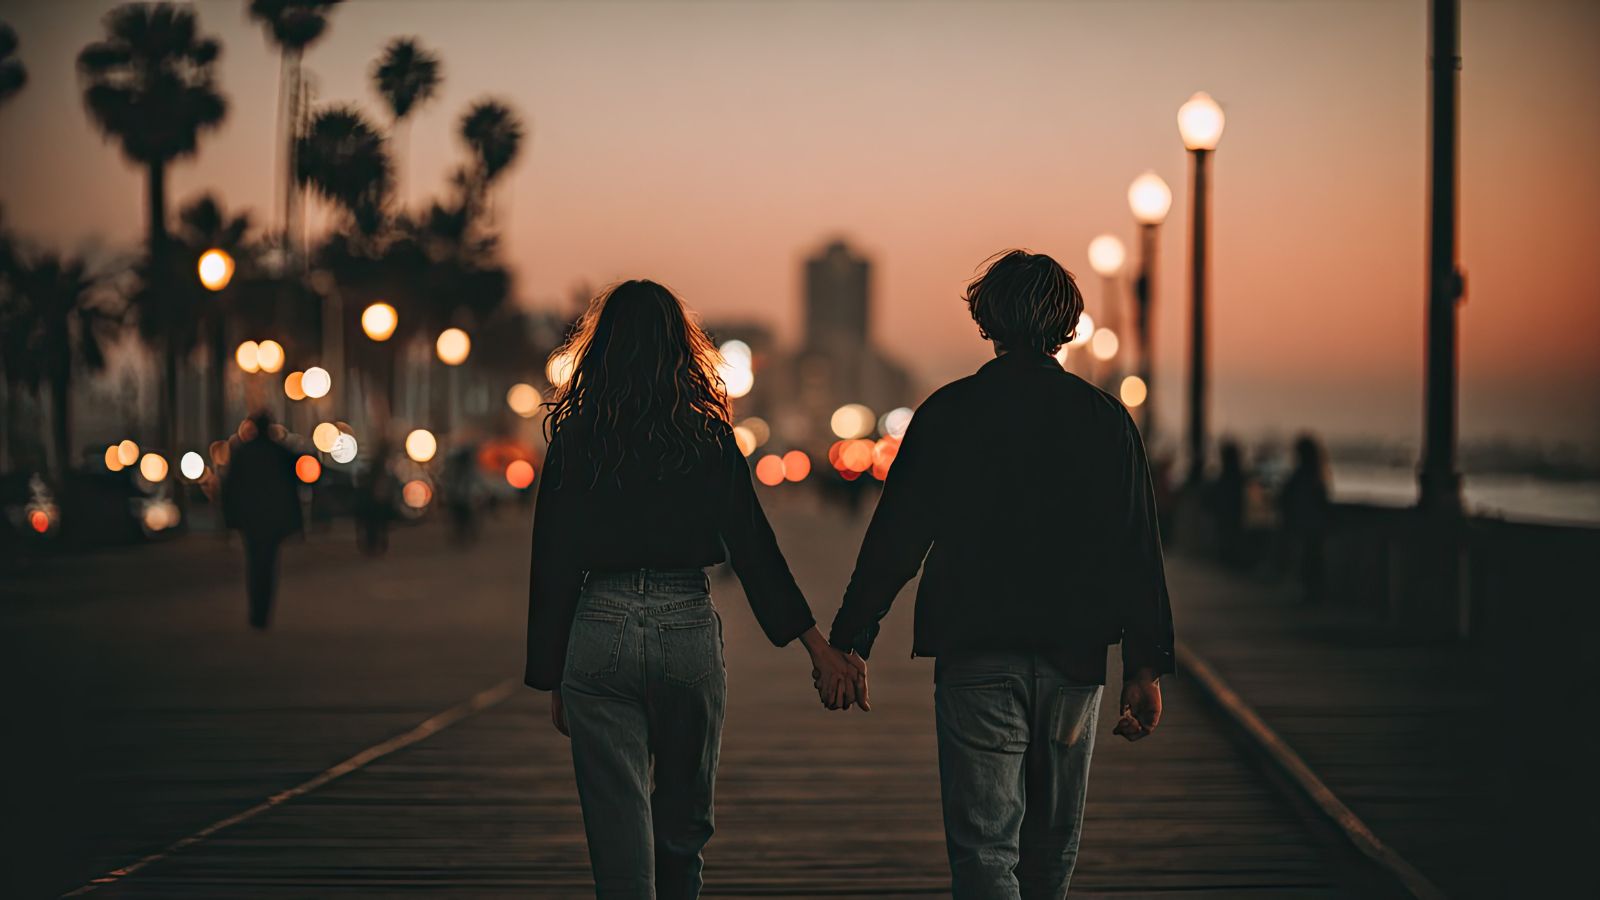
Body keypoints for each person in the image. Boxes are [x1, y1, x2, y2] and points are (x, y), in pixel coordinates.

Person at [824, 250, 1175, 898]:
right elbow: (1137, 549)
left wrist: (849, 641)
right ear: (1069, 326)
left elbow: (895, 541)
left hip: (976, 647)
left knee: (986, 848)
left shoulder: (948, 413)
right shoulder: (1106, 422)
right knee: (1051, 852)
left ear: (987, 321)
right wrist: (1145, 666)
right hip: (1075, 656)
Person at [525, 280, 866, 900]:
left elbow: (551, 560)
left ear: (601, 350)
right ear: (683, 350)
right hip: (686, 627)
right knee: (683, 824)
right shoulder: (708, 436)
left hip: (597, 628)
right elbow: (755, 551)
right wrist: (820, 649)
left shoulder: (577, 437)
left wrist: (553, 673)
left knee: (617, 829)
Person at [221, 411, 302, 629]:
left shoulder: (242, 453)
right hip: (273, 519)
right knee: (268, 565)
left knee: (254, 563)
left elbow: (231, 489)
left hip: (251, 519)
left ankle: (256, 611)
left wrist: (230, 519)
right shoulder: (280, 453)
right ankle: (264, 610)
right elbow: (292, 489)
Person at [1278, 433, 1330, 602]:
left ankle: (1309, 592)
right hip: (1312, 526)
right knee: (1311, 560)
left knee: (1307, 560)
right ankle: (1312, 592)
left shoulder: (1300, 477)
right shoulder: (1316, 477)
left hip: (1302, 526)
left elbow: (1285, 498)